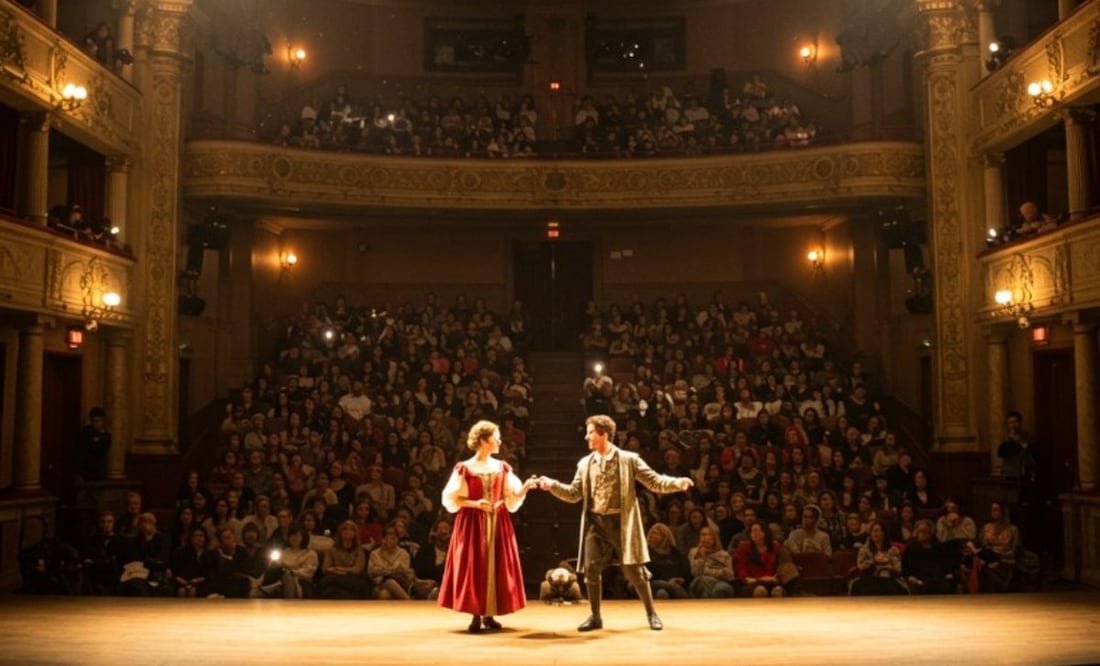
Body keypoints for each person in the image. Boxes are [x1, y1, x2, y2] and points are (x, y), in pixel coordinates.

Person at [536, 414, 693, 632]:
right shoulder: (585, 463)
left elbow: (654, 481)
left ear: (603, 434)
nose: (586, 436)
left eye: (590, 432)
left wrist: (677, 482)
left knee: (635, 572)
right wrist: (552, 485)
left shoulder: (628, 459)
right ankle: (595, 616)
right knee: (591, 569)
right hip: (596, 523)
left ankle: (651, 614)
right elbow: (573, 494)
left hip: (621, 523)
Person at [440, 420, 534, 633]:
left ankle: (489, 614)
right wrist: (475, 503)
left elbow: (511, 497)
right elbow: (451, 499)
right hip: (473, 521)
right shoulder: (465, 468)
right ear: (483, 440)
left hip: (498, 520)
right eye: (495, 437)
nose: (499, 441)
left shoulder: (502, 467)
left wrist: (526, 487)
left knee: (496, 564)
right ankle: (476, 613)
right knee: (476, 565)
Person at [76, 407, 111, 482]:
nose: (98, 423)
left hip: (99, 470)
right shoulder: (85, 432)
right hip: (86, 469)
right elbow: (82, 450)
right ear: (91, 421)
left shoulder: (106, 435)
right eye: (96, 421)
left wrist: (99, 440)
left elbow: (103, 448)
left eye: (101, 421)